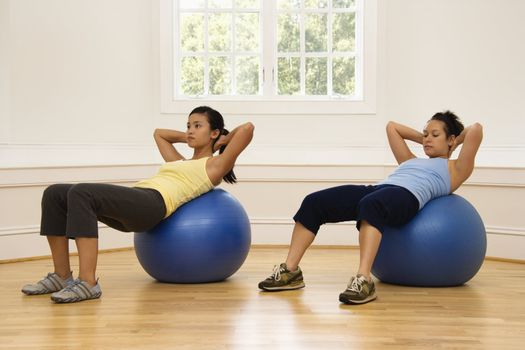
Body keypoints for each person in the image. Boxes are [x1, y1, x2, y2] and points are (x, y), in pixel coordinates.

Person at [21, 106, 254, 303]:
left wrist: (221, 139)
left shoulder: (214, 166)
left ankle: (88, 282)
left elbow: (247, 129)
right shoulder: (179, 162)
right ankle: (62, 275)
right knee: (55, 193)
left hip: (154, 204)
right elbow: (158, 134)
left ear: (213, 132)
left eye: (197, 126)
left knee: (82, 192)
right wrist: (191, 137)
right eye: (188, 125)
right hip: (139, 198)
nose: (190, 130)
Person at [258, 111, 483, 305]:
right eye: (425, 134)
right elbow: (392, 127)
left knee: (371, 204)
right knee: (314, 202)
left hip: (407, 197)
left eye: (435, 135)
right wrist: (426, 138)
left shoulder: (455, 168)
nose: (427, 140)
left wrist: (452, 144)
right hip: (379, 189)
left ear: (452, 139)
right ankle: (290, 271)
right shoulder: (410, 159)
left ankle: (363, 280)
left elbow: (475, 129)